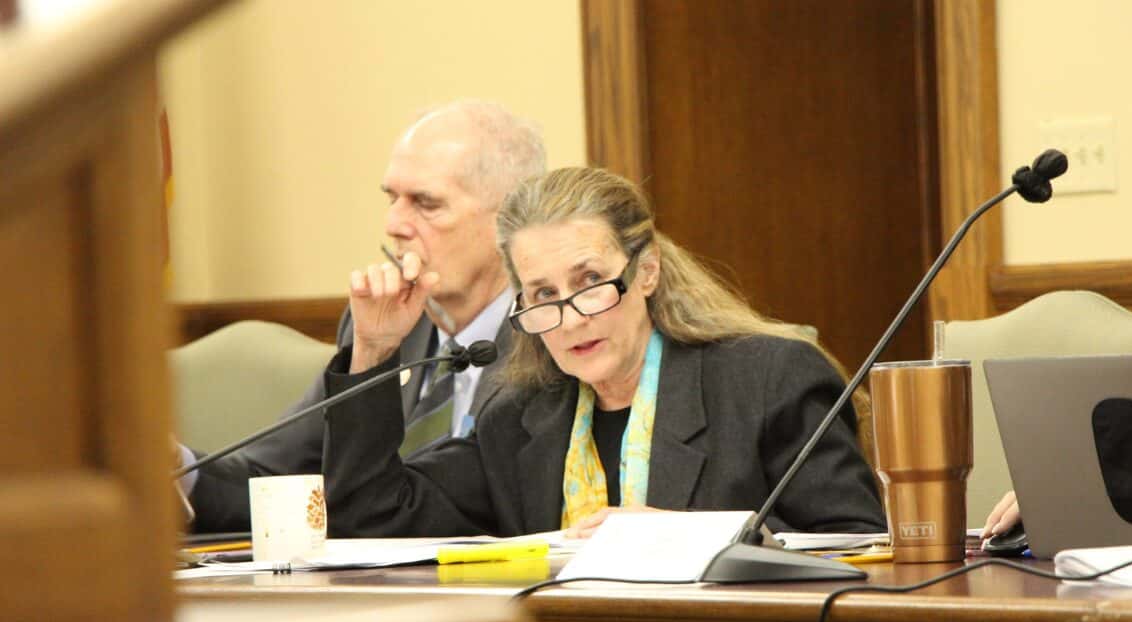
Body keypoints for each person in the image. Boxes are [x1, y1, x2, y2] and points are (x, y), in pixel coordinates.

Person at [321, 166, 885, 538]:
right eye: (543, 294)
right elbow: (372, 516)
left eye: (590, 280)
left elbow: (854, 547)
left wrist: (684, 537)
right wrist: (373, 348)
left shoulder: (766, 381)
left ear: (646, 271)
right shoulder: (519, 417)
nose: (571, 317)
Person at [185, 100, 546, 532]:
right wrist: (178, 472)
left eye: (425, 203)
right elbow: (279, 478)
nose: (394, 223)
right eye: (392, 198)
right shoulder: (387, 326)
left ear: (510, 218)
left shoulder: (551, 333)